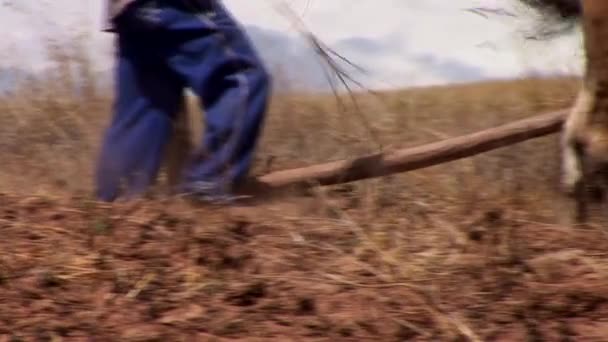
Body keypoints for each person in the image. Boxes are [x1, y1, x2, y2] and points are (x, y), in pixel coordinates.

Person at [96, 0, 271, 204]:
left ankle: (115, 203)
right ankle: (207, 184)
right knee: (243, 80)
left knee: (147, 106)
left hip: (128, 10)